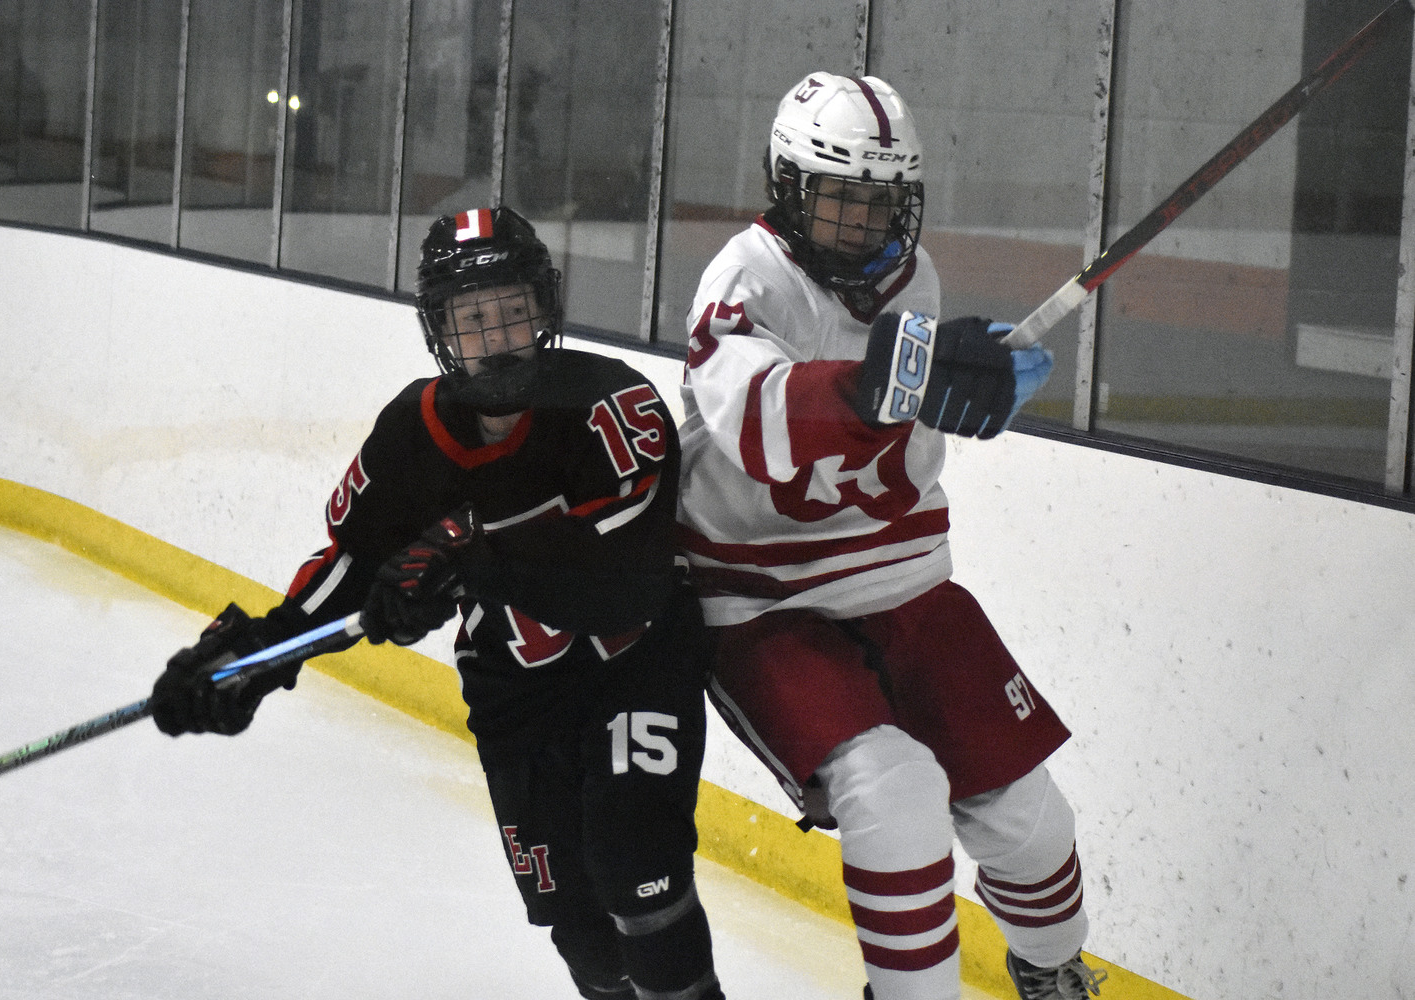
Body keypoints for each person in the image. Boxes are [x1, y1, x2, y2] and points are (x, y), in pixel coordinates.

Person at [151, 206, 726, 1000]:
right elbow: (351, 568)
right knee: (584, 936)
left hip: (634, 666)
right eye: (473, 319)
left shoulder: (611, 407)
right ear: (439, 332)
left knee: (638, 868)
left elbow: (627, 576)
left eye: (513, 312)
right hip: (516, 699)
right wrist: (252, 657)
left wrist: (475, 555)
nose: (496, 339)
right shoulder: (409, 436)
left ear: (545, 310)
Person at [675, 72, 1106, 1000]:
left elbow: (908, 428)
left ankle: (1052, 966)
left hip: (904, 583)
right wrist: (886, 381)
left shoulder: (916, 278)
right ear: (788, 189)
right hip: (765, 604)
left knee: (1030, 818)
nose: (861, 223)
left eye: (881, 202)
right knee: (895, 792)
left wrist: (979, 378)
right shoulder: (743, 280)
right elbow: (757, 422)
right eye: (838, 198)